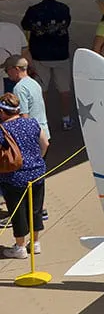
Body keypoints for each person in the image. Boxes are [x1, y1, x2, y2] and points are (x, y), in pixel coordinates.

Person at [0, 93, 48, 260]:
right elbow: (45, 143)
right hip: (37, 173)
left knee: (18, 211)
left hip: (13, 177)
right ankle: (35, 243)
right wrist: (36, 161)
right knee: (36, 209)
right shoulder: (32, 123)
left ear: (2, 111)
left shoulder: (3, 129)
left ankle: (20, 247)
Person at [20, 0, 72, 131]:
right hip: (61, 54)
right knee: (64, 89)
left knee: (42, 88)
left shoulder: (34, 10)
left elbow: (25, 25)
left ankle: (42, 119)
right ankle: (66, 118)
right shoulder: (64, 9)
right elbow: (66, 24)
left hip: (40, 54)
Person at [4, 56, 48, 144]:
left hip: (31, 137)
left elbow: (24, 115)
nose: (7, 74)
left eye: (7, 70)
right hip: (43, 132)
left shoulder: (19, 88)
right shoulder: (34, 83)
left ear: (16, 69)